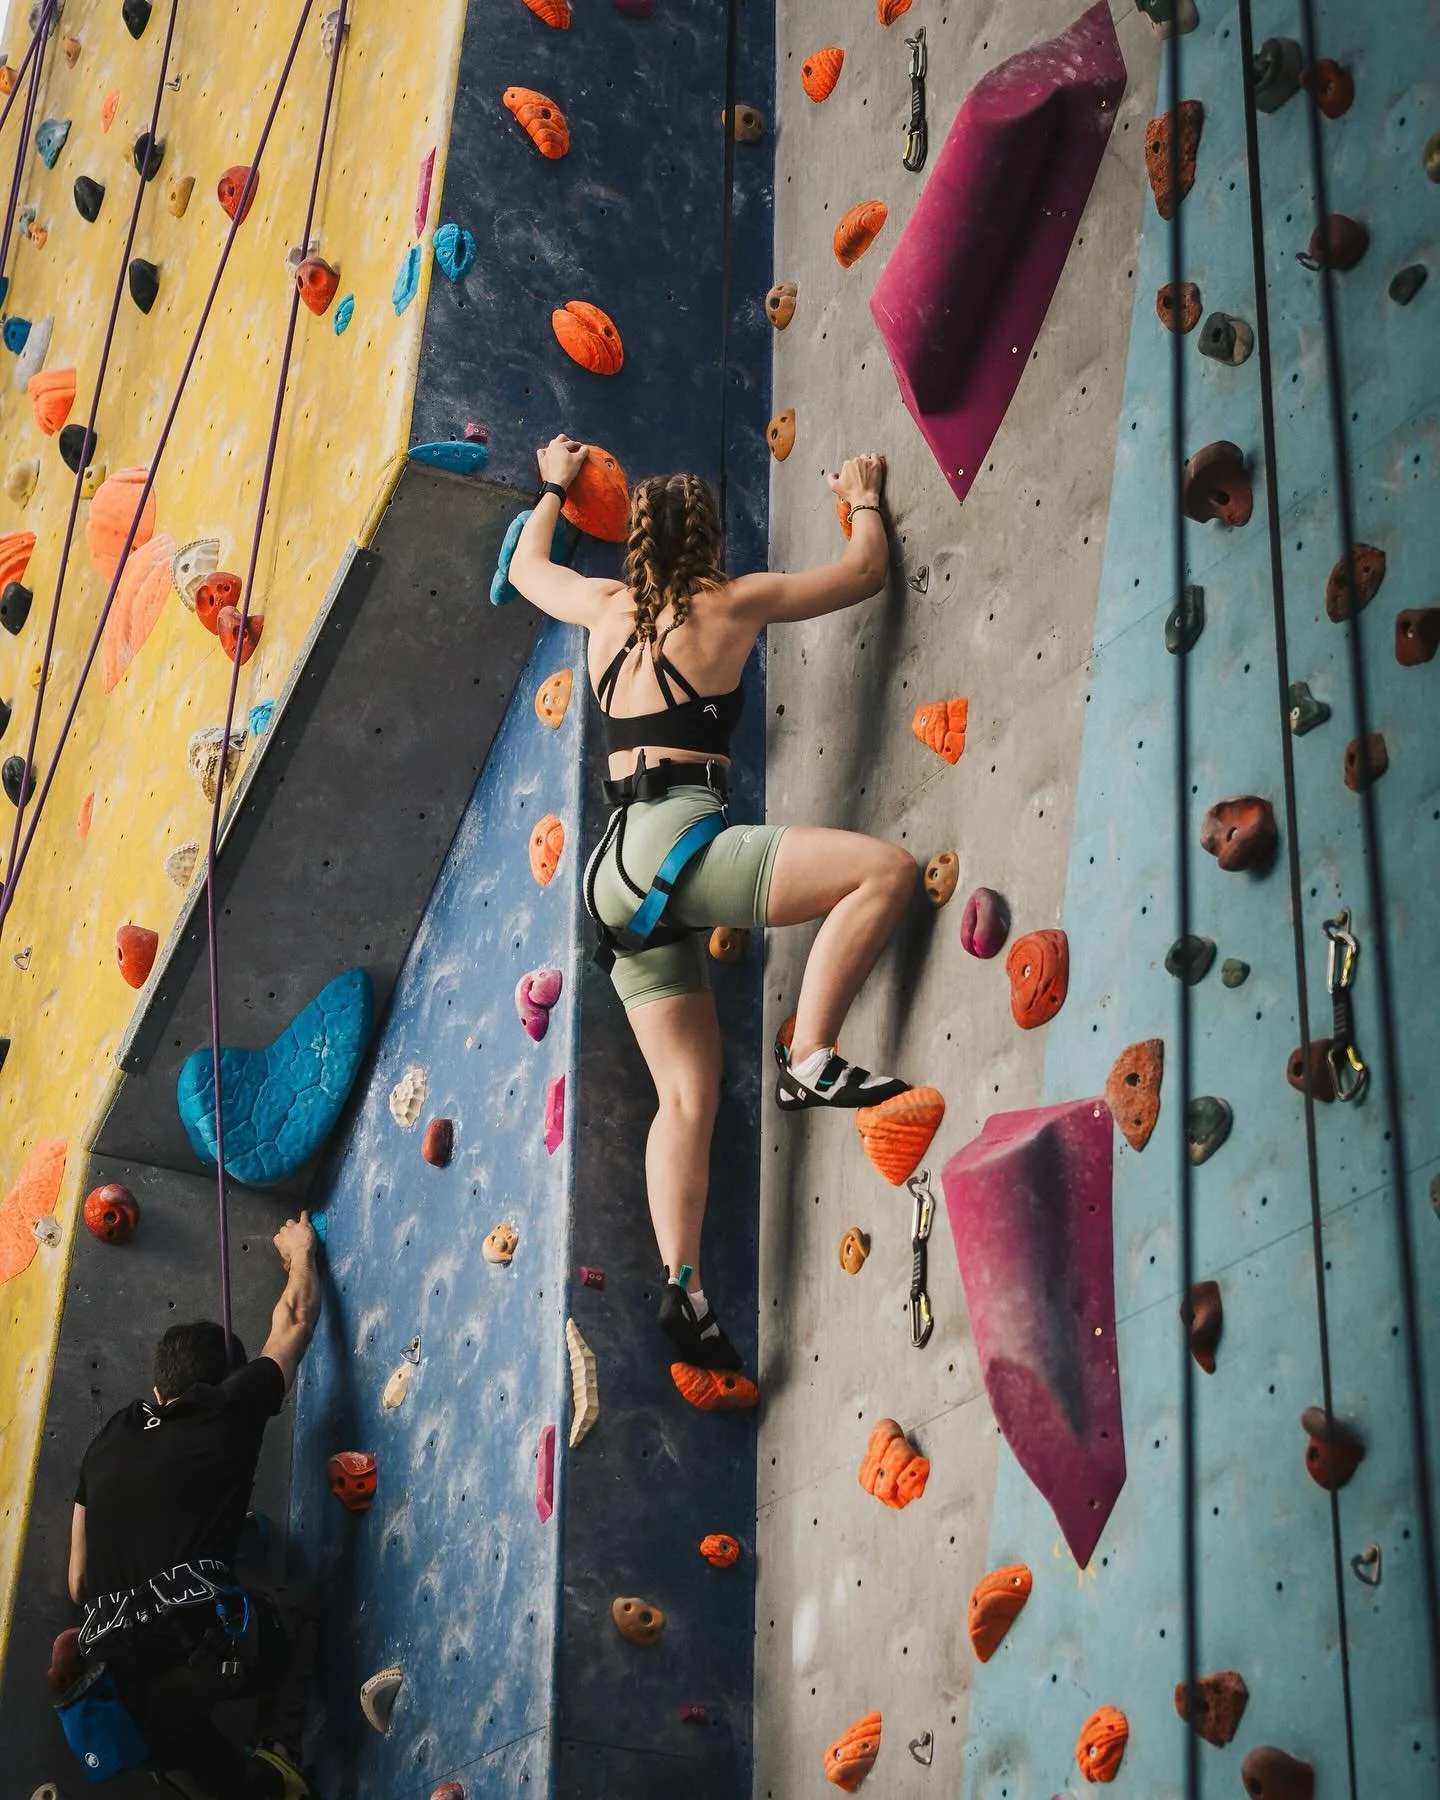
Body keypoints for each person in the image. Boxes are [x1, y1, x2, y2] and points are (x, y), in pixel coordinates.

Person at [509, 439, 917, 1372]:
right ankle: (808, 1053)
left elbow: (531, 566)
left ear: (635, 547)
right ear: (714, 541)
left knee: (685, 1095)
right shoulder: (730, 602)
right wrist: (859, 495)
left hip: (612, 876)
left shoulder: (602, 607)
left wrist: (553, 486)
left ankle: (683, 1286)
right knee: (884, 874)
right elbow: (865, 571)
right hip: (682, 848)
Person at [65, 1213, 323, 1799]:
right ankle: (279, 1754)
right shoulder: (229, 1411)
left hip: (118, 1686)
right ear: (230, 1383)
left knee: (215, 1779)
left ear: (159, 1392)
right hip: (204, 1648)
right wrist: (301, 1253)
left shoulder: (109, 1438)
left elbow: (79, 1583)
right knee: (297, 1611)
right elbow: (296, 1320)